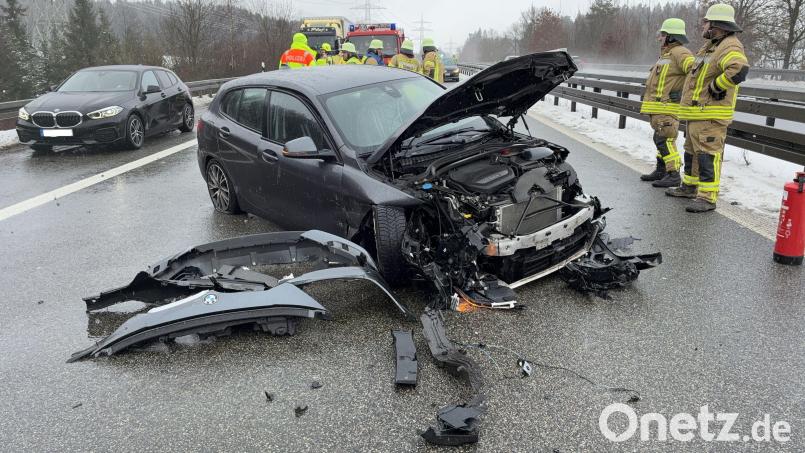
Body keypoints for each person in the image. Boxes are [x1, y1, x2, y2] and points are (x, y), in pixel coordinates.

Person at [666, 4, 750, 213]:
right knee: (692, 153)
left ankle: (707, 197)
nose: (703, 25)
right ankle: (690, 187)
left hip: (711, 114)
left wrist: (716, 86)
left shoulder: (730, 46)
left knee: (707, 155)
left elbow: (739, 68)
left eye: (706, 22)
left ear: (716, 25)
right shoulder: (710, 47)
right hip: (698, 113)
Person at [639, 18, 694, 188]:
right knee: (660, 138)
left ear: (671, 37)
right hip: (659, 108)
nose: (659, 38)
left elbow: (695, 72)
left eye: (662, 34)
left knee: (666, 140)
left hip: (667, 107)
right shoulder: (667, 55)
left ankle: (673, 174)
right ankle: (661, 170)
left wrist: (680, 92)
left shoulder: (680, 52)